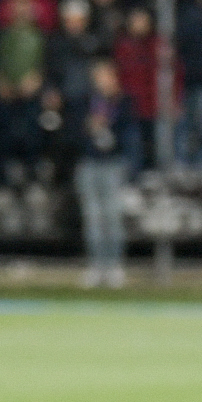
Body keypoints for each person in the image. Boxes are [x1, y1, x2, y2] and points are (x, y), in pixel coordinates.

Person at [74, 60, 135, 288]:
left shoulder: (124, 102)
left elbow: (129, 132)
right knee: (92, 217)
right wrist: (89, 127)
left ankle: (114, 265)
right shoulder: (86, 102)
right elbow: (74, 133)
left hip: (113, 163)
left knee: (112, 216)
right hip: (89, 163)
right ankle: (96, 265)